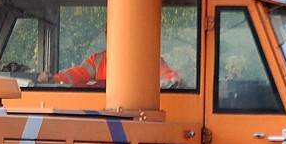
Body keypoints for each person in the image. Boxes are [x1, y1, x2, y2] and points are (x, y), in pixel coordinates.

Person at [39, 50, 183, 89]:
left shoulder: (148, 58)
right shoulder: (98, 60)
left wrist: (173, 80)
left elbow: (166, 74)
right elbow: (76, 74)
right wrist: (54, 80)